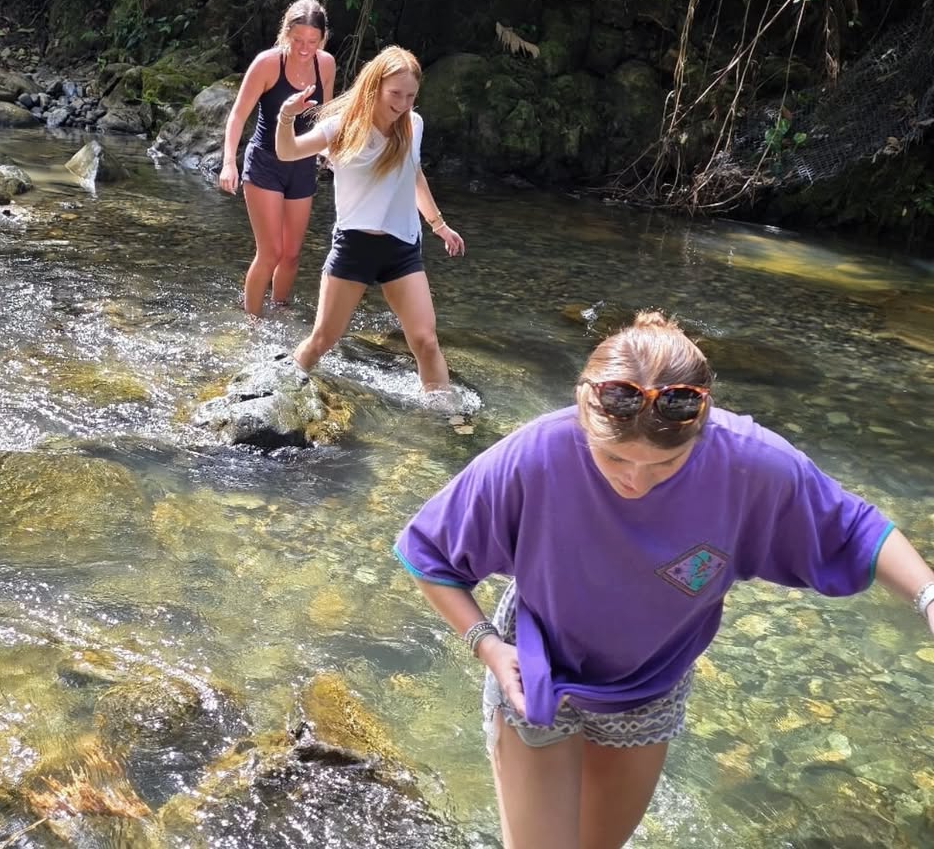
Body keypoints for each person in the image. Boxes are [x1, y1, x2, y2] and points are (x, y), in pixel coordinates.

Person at [394, 310, 934, 849]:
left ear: (702, 428)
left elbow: (860, 530)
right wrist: (487, 646)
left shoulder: (752, 464)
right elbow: (426, 553)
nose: (635, 480)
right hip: (536, 673)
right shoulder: (536, 455)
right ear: (584, 416)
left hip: (649, 689)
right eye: (613, 457)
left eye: (665, 465)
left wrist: (929, 596)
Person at [273, 45, 465, 393]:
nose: (403, 104)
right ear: (374, 86)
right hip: (354, 247)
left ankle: (446, 422)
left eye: (410, 96)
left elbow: (414, 175)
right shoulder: (341, 127)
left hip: (402, 249)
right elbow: (287, 151)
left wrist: (439, 225)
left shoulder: (414, 126)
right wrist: (286, 118)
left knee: (425, 340)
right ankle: (278, 387)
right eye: (396, 94)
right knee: (323, 340)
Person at [219, 0, 337, 317]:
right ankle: (253, 323)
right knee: (270, 253)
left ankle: (279, 312)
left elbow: (324, 117)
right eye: (298, 40)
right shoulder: (268, 64)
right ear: (286, 33)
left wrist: (330, 152)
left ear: (322, 39)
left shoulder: (325, 64)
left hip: (302, 166)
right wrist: (230, 161)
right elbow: (237, 116)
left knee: (292, 255)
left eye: (312, 42)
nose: (304, 48)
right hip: (265, 165)